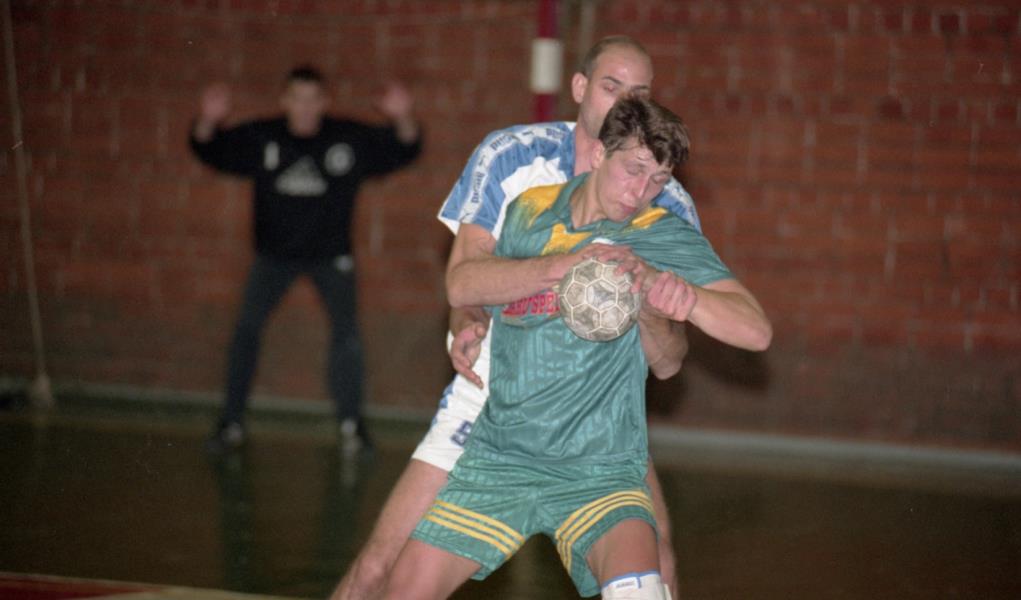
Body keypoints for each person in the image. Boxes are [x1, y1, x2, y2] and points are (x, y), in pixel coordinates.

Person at [333, 36, 696, 599]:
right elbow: (465, 277)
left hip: (597, 415)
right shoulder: (512, 155)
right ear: (579, 87)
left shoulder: (664, 198)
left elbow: (673, 345)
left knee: (659, 569)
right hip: (495, 399)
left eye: (639, 92)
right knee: (381, 566)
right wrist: (466, 323)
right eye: (611, 86)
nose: (625, 102)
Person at [381, 95, 771, 600]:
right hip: (501, 459)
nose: (641, 193)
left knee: (642, 591)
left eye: (658, 180)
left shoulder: (658, 234)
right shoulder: (530, 210)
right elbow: (463, 286)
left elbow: (755, 331)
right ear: (598, 155)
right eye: (634, 170)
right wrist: (551, 272)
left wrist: (677, 293)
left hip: (600, 472)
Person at [189, 66, 421, 453]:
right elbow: (209, 148)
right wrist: (207, 121)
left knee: (346, 336)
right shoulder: (264, 136)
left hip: (331, 256)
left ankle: (351, 426)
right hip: (273, 256)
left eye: (313, 99)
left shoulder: (346, 138)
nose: (305, 108)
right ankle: (231, 423)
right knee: (246, 331)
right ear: (285, 101)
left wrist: (403, 117)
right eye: (297, 99)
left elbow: (404, 148)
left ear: (324, 102)